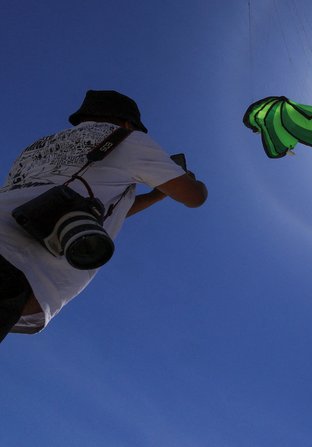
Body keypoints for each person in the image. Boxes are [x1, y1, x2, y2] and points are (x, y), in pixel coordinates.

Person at [0, 90, 207, 342]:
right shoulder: (128, 139)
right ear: (129, 123)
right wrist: (192, 182)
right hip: (14, 266)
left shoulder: (35, 148)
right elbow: (194, 198)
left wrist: (155, 196)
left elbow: (85, 208)